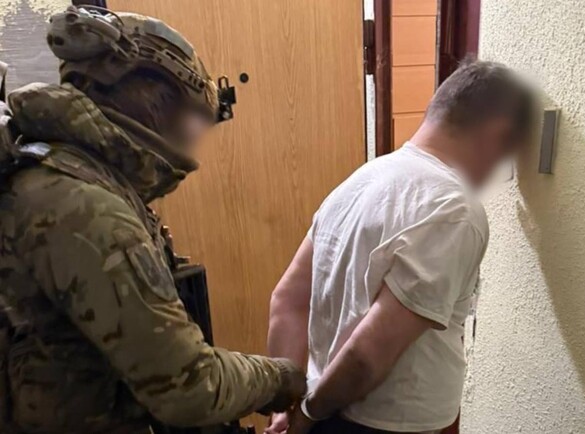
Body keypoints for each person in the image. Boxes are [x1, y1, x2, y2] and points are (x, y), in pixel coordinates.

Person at [0, 6, 305, 434]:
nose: (197, 137)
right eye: (195, 115)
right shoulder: (83, 206)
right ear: (154, 102)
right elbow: (190, 387)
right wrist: (282, 379)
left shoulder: (66, 174)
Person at [266, 60, 537, 434]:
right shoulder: (454, 208)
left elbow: (286, 301)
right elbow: (367, 355)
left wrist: (286, 407)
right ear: (497, 134)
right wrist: (309, 415)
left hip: (321, 406)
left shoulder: (361, 180)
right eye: (504, 163)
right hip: (386, 425)